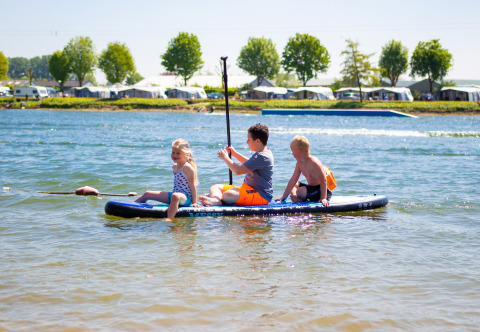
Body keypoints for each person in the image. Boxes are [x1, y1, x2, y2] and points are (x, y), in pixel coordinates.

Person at [199, 123, 274, 206]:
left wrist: (225, 158)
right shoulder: (262, 153)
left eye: (248, 139)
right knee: (215, 187)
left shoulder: (263, 156)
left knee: (228, 195)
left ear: (257, 141)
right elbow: (249, 163)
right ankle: (216, 200)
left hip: (260, 195)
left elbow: (238, 171)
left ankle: (217, 199)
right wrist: (234, 153)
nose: (247, 142)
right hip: (247, 190)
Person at [135, 139, 201, 220]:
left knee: (175, 196)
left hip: (186, 199)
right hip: (174, 196)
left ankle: (169, 219)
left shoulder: (187, 167)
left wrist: (194, 202)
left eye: (178, 153)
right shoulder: (174, 166)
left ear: (186, 154)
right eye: (173, 152)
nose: (174, 155)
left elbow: (193, 186)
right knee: (147, 193)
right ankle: (131, 207)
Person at [277, 136, 332, 206]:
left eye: (293, 151)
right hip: (311, 189)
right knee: (294, 184)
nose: (292, 153)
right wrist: (283, 197)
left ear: (300, 151)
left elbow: (323, 180)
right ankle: (295, 198)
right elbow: (293, 180)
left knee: (300, 191)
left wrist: (323, 198)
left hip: (321, 190)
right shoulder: (299, 164)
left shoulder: (314, 162)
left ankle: (300, 198)